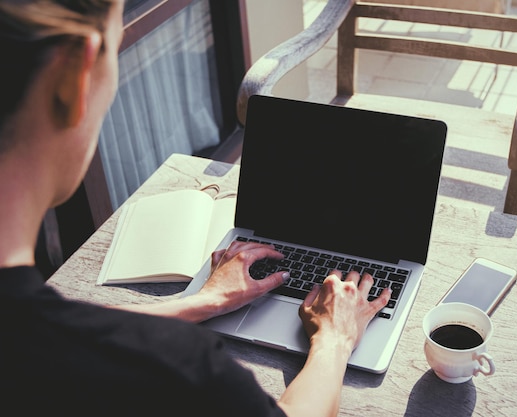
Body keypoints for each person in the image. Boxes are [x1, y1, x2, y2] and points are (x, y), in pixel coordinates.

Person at [0, 0, 391, 415]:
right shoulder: (183, 371)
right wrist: (336, 337)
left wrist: (198, 302)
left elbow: (71, 336)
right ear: (74, 76)